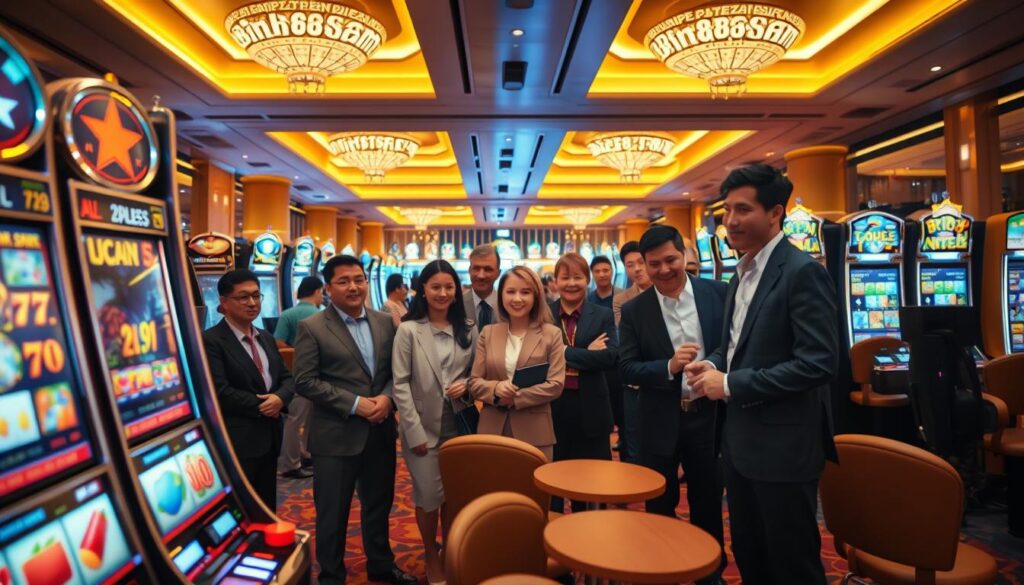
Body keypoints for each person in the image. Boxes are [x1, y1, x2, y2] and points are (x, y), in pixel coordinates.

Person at [686, 164, 838, 585]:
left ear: (775, 213)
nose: (730, 221)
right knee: (751, 556)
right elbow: (735, 346)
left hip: (784, 450)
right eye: (726, 211)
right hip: (740, 445)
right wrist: (714, 363)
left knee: (791, 565)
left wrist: (730, 384)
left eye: (742, 209)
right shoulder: (742, 272)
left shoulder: (801, 271)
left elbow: (818, 363)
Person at [293, 255, 417, 585]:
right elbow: (304, 381)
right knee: (332, 512)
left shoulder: (382, 320)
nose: (354, 286)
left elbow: (396, 371)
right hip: (335, 436)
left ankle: (381, 564)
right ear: (328, 287)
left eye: (359, 279)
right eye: (344, 281)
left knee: (379, 504)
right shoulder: (313, 327)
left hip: (379, 431)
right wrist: (356, 404)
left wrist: (388, 398)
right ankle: (332, 575)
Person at [618, 226, 728, 585]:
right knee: (660, 503)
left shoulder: (718, 293)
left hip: (709, 416)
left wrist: (710, 364)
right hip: (659, 420)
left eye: (670, 260)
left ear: (684, 255)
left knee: (708, 501)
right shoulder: (635, 310)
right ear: (643, 267)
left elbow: (732, 345)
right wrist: (669, 366)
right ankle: (662, 570)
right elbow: (627, 367)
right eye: (654, 264)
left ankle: (709, 572)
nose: (664, 270)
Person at [391, 260, 478, 585]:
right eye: (435, 287)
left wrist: (468, 385)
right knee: (428, 496)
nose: (442, 293)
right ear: (423, 290)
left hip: (462, 425)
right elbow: (400, 383)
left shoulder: (468, 328)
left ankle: (450, 551)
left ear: (457, 291)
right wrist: (412, 430)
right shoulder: (408, 330)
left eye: (448, 287)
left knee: (456, 495)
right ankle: (430, 552)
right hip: (422, 429)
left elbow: (478, 374)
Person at [203, 269, 294, 512]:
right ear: (223, 302)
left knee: (267, 506)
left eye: (256, 295)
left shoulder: (264, 336)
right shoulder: (211, 340)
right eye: (243, 297)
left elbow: (286, 379)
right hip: (238, 440)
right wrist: (264, 406)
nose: (252, 303)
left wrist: (279, 398)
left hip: (271, 436)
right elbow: (219, 390)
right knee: (241, 509)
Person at [469, 266, 565, 460]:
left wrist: (515, 398)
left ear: (536, 296)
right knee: (494, 487)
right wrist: (496, 389)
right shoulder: (488, 333)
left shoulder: (551, 334)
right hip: (492, 430)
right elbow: (474, 383)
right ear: (501, 295)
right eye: (511, 291)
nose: (517, 298)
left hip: (536, 432)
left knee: (533, 489)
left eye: (525, 292)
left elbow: (555, 385)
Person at [549, 253, 617, 513]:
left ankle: (587, 538)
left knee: (590, 482)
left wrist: (563, 353)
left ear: (587, 280)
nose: (571, 283)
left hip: (592, 408)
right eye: (565, 277)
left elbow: (610, 357)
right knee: (552, 478)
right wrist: (586, 353)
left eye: (578, 277)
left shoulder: (602, 315)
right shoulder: (544, 315)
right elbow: (540, 359)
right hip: (553, 406)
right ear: (555, 281)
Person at [273, 275, 323, 479]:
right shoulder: (320, 316)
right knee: (305, 419)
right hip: (318, 376)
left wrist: (296, 356)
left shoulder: (287, 314)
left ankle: (300, 455)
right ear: (318, 291)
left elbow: (279, 343)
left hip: (294, 375)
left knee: (295, 419)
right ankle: (290, 464)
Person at [611, 241, 652, 463]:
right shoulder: (621, 300)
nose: (637, 269)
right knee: (632, 435)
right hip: (633, 378)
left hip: (665, 378)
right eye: (630, 265)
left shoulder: (668, 291)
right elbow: (628, 339)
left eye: (640, 263)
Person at [463, 244, 500, 332]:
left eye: (488, 269)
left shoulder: (508, 306)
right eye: (476, 268)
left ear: (498, 274)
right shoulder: (456, 305)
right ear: (469, 270)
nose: (481, 276)